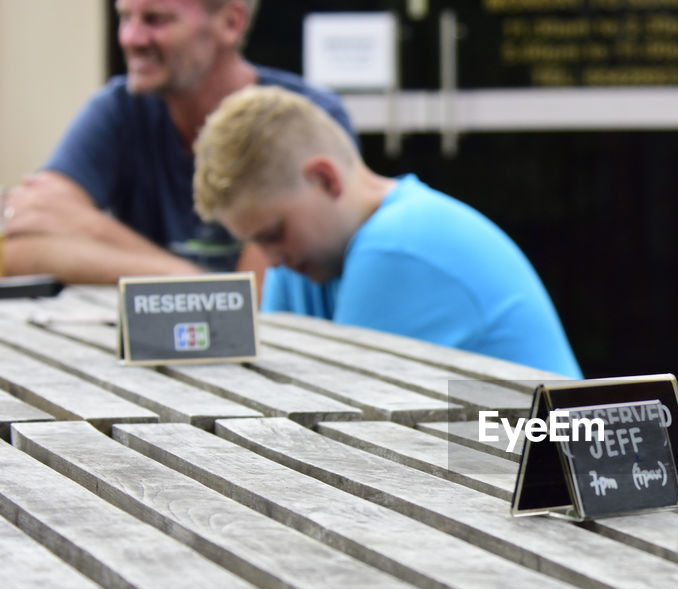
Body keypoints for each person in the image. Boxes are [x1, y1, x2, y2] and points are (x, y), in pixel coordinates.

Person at [193, 86, 583, 378]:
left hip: (548, 478)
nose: (271, 258)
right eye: (255, 241)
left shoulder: (398, 247)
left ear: (325, 179)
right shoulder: (307, 259)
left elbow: (343, 438)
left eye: (274, 233)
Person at [1, 0, 353, 285]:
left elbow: (258, 302)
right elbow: (18, 248)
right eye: (125, 16)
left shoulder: (301, 120)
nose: (130, 38)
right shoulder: (118, 110)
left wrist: (88, 228)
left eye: (155, 19)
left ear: (231, 23)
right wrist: (196, 283)